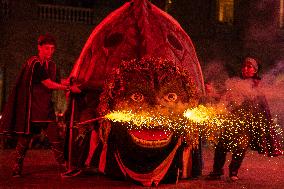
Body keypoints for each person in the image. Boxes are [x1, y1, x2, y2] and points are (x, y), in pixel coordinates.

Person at [0, 33, 80, 177]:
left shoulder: (52, 65)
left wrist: (70, 81)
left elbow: (57, 81)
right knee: (24, 140)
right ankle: (16, 167)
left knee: (55, 138)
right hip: (32, 109)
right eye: (47, 48)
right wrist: (68, 88)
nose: (50, 52)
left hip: (46, 109)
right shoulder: (34, 63)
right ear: (39, 48)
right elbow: (48, 84)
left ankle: (64, 169)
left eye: (52, 49)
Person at [206, 57, 283, 182]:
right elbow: (224, 97)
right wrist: (212, 92)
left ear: (254, 70)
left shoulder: (258, 85)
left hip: (246, 123)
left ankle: (233, 172)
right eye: (244, 66)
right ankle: (216, 171)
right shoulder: (235, 82)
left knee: (240, 148)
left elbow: (262, 106)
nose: (246, 69)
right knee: (221, 146)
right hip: (232, 120)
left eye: (249, 67)